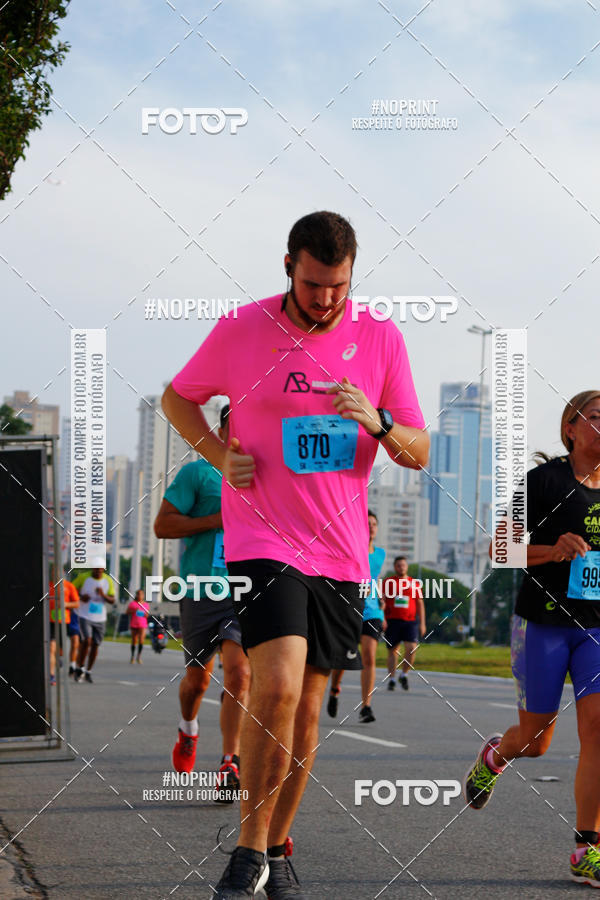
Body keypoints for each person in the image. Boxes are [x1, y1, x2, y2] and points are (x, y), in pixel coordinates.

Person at [161, 211, 428, 898]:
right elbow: (178, 398)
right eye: (314, 286)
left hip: (341, 552)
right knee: (273, 686)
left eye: (338, 287)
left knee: (308, 714)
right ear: (289, 267)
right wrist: (222, 457)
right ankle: (247, 850)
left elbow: (418, 451)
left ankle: (278, 846)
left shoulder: (380, 338)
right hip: (265, 539)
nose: (326, 301)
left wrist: (380, 420)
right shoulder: (241, 329)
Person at [463, 390, 600, 888]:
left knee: (598, 729)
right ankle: (496, 755)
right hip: (542, 622)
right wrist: (552, 550)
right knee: (537, 742)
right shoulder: (543, 482)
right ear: (571, 428)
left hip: (597, 629)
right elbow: (502, 546)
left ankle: (588, 848)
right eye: (598, 417)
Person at [154, 404, 250, 802]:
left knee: (240, 675)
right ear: (223, 426)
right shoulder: (198, 472)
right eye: (237, 419)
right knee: (197, 682)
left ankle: (231, 760)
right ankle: (188, 729)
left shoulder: (266, 474)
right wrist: (217, 520)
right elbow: (163, 526)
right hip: (200, 589)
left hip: (245, 589)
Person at [326, 510, 386, 723]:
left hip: (372, 610)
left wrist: (383, 607)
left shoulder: (381, 554)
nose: (371, 526)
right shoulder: (351, 548)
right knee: (345, 657)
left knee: (369, 657)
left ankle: (366, 706)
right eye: (367, 523)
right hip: (350, 607)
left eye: (374, 523)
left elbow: (374, 580)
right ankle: (334, 689)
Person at [382, 556, 425, 691]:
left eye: (404, 565)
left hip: (410, 621)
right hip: (392, 621)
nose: (401, 567)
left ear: (407, 567)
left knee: (411, 647)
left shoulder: (414, 584)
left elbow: (420, 603)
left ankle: (404, 674)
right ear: (395, 567)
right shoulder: (388, 582)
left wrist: (422, 623)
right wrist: (381, 618)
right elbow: (382, 601)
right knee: (393, 652)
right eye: (399, 565)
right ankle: (392, 679)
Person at [72, 562, 116, 683]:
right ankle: (80, 667)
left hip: (100, 617)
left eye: (100, 570)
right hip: (84, 615)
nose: (98, 572)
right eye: (96, 569)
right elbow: (71, 590)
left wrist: (103, 595)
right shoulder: (83, 577)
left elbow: (112, 600)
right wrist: (81, 596)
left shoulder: (108, 580)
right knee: (87, 640)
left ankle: (88, 671)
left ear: (103, 569)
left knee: (96, 644)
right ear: (92, 568)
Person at [49, 574, 79, 686]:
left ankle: (58, 659)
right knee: (51, 648)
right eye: (53, 571)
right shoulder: (48, 586)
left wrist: (65, 604)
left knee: (59, 651)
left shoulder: (69, 586)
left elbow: (77, 603)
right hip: (50, 621)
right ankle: (52, 676)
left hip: (63, 622)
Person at [127, 588, 149, 664]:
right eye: (138, 594)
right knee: (134, 640)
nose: (140, 595)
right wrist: (134, 610)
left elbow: (147, 615)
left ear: (143, 595)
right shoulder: (132, 604)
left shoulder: (146, 604)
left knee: (141, 640)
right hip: (134, 624)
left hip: (142, 624)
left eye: (141, 594)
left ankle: (139, 656)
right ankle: (132, 656)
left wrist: (145, 614)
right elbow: (127, 612)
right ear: (136, 595)